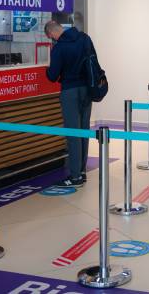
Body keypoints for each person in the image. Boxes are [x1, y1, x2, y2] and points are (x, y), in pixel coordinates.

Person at [45, 19, 96, 188]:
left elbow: (53, 76)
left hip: (70, 91)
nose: (52, 39)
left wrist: (47, 70)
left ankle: (75, 177)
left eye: (50, 37)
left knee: (73, 134)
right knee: (83, 131)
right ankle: (81, 171)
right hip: (87, 89)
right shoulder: (85, 38)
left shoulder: (59, 48)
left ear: (51, 33)